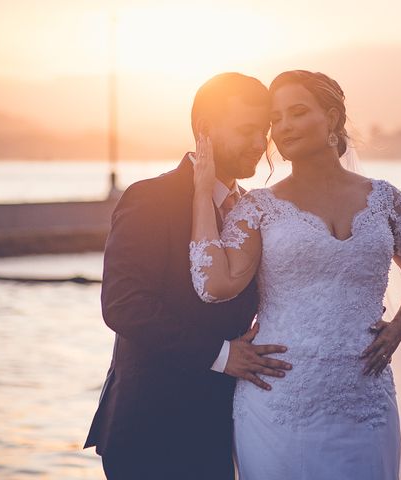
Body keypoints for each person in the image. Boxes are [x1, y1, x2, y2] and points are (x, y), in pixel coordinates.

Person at [188, 70, 401, 479]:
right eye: (276, 119)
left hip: (367, 403)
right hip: (279, 405)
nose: (284, 127)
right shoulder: (258, 208)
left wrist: (398, 328)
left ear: (332, 119)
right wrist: (202, 194)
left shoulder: (384, 199)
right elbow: (213, 285)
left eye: (297, 112)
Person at [84, 72, 291, 480]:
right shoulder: (149, 198)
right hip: (152, 429)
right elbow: (123, 305)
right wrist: (223, 354)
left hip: (226, 427)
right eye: (247, 130)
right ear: (204, 130)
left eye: (263, 132)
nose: (259, 143)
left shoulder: (251, 209)